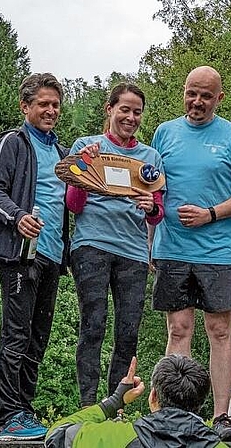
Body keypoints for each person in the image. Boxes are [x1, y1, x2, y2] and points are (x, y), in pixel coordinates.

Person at [150, 65, 231, 442]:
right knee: (178, 329)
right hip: (173, 248)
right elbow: (152, 188)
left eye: (205, 95)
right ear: (184, 92)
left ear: (220, 98)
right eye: (191, 93)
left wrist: (211, 213)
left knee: (219, 330)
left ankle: (221, 415)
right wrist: (150, 236)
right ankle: (173, 412)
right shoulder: (164, 132)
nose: (197, 101)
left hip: (218, 250)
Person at [0, 72, 69, 441]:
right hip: (19, 256)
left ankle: (26, 410)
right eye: (43, 104)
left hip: (50, 254)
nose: (50, 110)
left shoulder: (62, 152)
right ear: (25, 106)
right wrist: (18, 218)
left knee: (38, 336)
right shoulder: (13, 143)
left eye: (55, 105)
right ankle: (8, 416)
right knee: (15, 335)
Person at [67, 83, 165, 407]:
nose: (131, 117)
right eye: (124, 109)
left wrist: (150, 206)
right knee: (93, 325)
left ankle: (116, 406)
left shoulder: (149, 157)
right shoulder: (86, 146)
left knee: (128, 332)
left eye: (137, 112)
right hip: (92, 244)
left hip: (133, 253)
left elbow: (157, 213)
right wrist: (83, 165)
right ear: (109, 110)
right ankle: (87, 406)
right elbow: (73, 204)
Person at [45, 355, 228, 447]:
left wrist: (114, 402)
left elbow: (56, 435)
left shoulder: (117, 438)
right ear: (202, 402)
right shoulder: (217, 445)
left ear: (153, 397)